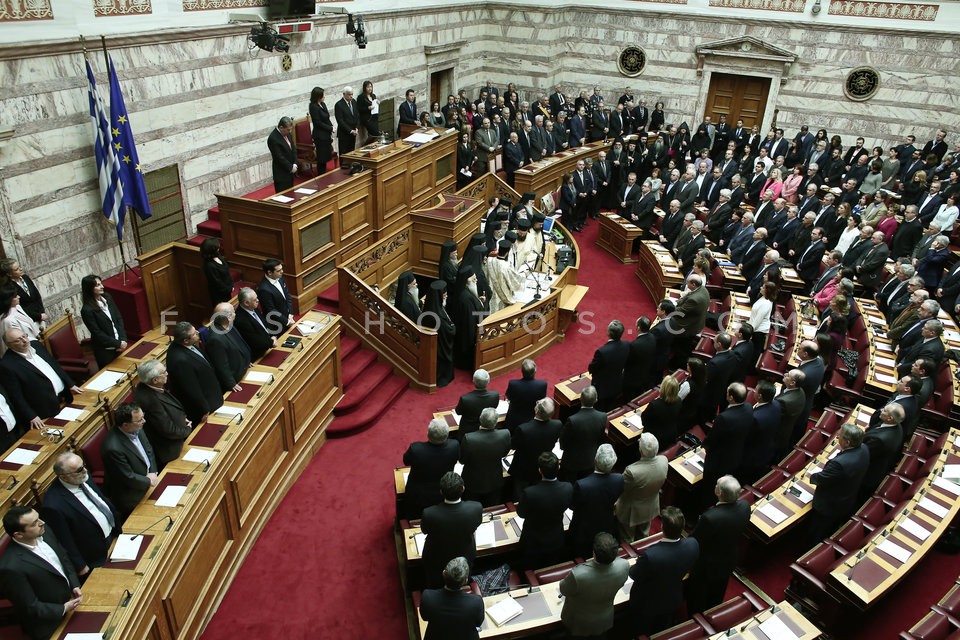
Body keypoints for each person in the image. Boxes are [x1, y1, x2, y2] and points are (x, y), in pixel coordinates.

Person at [0, 505, 82, 640]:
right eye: (34, 523)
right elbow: (30, 607)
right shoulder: (10, 567)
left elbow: (63, 558)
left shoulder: (44, 531)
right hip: (50, 623)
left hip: (73, 601)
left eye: (39, 518)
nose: (42, 522)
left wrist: (74, 584)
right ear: (19, 535)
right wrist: (63, 608)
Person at [40, 452, 121, 579]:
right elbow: (63, 539)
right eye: (79, 470)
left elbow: (100, 499)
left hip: (114, 535)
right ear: (64, 477)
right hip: (96, 555)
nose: (85, 470)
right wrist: (80, 565)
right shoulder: (53, 505)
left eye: (83, 465)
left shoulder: (82, 476)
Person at [630, 506, 700, 636]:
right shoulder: (693, 544)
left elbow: (634, 574)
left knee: (642, 632)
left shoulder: (651, 555)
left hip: (648, 603)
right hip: (673, 598)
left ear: (662, 527)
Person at [686, 475, 751, 613]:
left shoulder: (710, 517)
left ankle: (696, 618)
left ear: (718, 492)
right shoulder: (745, 506)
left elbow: (695, 540)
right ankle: (713, 612)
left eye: (717, 485)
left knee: (697, 596)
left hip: (707, 565)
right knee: (717, 592)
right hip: (729, 559)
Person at [1, 328, 82, 429]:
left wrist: (70, 384)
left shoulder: (36, 345)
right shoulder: (7, 365)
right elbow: (16, 396)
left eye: (24, 336)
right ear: (9, 345)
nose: (25, 341)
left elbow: (54, 365)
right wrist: (31, 416)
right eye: (18, 340)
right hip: (46, 409)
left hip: (66, 397)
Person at [558, 532, 629, 640]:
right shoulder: (624, 565)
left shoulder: (578, 574)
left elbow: (563, 589)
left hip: (579, 622)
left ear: (594, 553)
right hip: (604, 619)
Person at [808, 422, 869, 543]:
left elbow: (821, 479)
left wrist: (811, 476)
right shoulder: (864, 448)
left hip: (829, 505)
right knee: (831, 527)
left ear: (847, 442)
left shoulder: (840, 464)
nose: (837, 436)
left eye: (840, 435)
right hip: (846, 497)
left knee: (818, 532)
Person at [420, 472, 482, 589]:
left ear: (441, 492)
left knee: (434, 584)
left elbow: (424, 530)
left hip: (436, 558)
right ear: (463, 489)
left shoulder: (429, 513)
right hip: (465, 555)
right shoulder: (475, 508)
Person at [516, 452, 573, 570]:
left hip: (533, 542)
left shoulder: (530, 493)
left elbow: (521, 514)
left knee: (530, 570)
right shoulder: (567, 488)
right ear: (558, 467)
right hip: (555, 540)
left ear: (539, 470)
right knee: (551, 569)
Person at [101, 402, 158, 519]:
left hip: (150, 479)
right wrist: (148, 480)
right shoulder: (112, 448)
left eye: (143, 417)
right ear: (125, 425)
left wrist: (153, 471)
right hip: (132, 494)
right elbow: (127, 476)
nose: (144, 421)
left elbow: (148, 450)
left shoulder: (136, 427)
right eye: (140, 420)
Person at [133, 359, 192, 470]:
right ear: (155, 380)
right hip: (170, 449)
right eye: (163, 372)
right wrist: (187, 429)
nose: (167, 373)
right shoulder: (149, 400)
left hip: (178, 434)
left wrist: (182, 419)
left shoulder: (150, 386)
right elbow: (167, 429)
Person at [568, 445, 623, 558]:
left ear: (595, 460)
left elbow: (572, 506)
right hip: (606, 524)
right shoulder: (619, 479)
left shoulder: (582, 485)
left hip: (582, 529)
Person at [165, 322, 224, 425]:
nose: (198, 332)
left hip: (213, 395)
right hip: (205, 407)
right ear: (186, 340)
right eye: (194, 333)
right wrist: (205, 409)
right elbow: (192, 389)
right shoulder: (180, 360)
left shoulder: (186, 345)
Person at [403, 419, 459, 519]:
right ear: (447, 435)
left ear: (428, 433)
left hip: (417, 496)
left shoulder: (416, 449)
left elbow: (406, 461)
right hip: (443, 493)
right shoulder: (454, 445)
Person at [419, 556, 484, 640]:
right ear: (465, 581)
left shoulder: (427, 597)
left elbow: (425, 618)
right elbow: (478, 623)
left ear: (443, 573)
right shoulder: (476, 602)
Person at [510, 398, 562, 498]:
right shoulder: (557, 425)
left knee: (519, 495)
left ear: (537, 410)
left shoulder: (523, 429)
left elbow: (513, 445)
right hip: (543, 466)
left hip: (523, 469)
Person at [703, 383, 753, 486]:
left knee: (710, 486)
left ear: (731, 397)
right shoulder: (749, 407)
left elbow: (712, 439)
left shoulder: (723, 418)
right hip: (736, 456)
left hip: (718, 462)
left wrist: (704, 445)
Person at [459, 407, 510, 507]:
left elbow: (462, 460)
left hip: (473, 483)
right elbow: (504, 454)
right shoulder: (505, 434)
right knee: (493, 509)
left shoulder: (469, 439)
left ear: (480, 419)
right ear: (496, 422)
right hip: (494, 481)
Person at [558, 386, 607, 482]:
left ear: (580, 399)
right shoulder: (603, 417)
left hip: (571, 462)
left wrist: (563, 448)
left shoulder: (572, 420)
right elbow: (601, 439)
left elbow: (563, 440)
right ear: (596, 400)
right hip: (590, 460)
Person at [79, 274, 127, 368]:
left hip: (120, 345)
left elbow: (118, 318)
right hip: (106, 352)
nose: (102, 286)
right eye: (98, 285)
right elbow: (97, 333)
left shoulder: (108, 297)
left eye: (101, 283)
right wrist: (118, 344)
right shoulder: (87, 310)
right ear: (90, 288)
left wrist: (123, 339)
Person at [859, 403, 905, 500]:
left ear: (890, 418)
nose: (881, 410)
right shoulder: (897, 426)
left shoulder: (879, 440)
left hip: (867, 474)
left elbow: (861, 454)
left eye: (884, 410)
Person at [740, 380, 782, 483]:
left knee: (744, 479)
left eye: (756, 390)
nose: (754, 391)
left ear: (759, 396)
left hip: (752, 455)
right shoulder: (776, 404)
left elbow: (746, 437)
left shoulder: (756, 418)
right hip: (767, 447)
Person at [205, 303, 251, 393]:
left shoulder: (227, 325)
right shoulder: (215, 339)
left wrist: (246, 361)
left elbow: (239, 344)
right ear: (228, 317)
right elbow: (221, 365)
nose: (235, 314)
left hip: (244, 368)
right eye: (234, 312)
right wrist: (231, 383)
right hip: (236, 378)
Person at [587, 319, 630, 410]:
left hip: (601, 389)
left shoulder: (602, 352)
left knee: (599, 409)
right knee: (611, 409)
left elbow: (592, 368)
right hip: (617, 385)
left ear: (609, 333)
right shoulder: (626, 345)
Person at [420, 280, 456, 387]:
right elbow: (448, 331)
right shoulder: (436, 316)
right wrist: (453, 327)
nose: (446, 297)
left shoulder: (432, 306)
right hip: (439, 346)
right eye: (444, 295)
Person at [452, 267, 487, 370]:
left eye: (475, 278)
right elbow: (470, 323)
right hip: (469, 336)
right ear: (466, 282)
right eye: (473, 279)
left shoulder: (468, 292)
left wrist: (480, 302)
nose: (476, 280)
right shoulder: (465, 299)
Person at [504, 358, 547, 431]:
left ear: (522, 371)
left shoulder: (513, 384)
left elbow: (508, 397)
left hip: (513, 421)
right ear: (535, 370)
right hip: (533, 421)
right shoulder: (542, 385)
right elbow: (542, 399)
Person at [454, 368, 498, 439]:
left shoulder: (465, 399)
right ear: (488, 381)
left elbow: (458, 412)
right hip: (487, 428)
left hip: (468, 432)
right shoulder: (495, 396)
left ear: (473, 381)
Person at [233, 287, 276, 360]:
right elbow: (257, 341)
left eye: (257, 298)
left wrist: (273, 335)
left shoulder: (252, 307)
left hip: (269, 344)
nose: (258, 300)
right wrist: (272, 342)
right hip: (260, 355)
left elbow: (264, 324)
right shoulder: (240, 320)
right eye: (255, 300)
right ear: (246, 303)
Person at [641, 375, 683, 448]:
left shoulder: (654, 405)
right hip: (670, 437)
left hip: (654, 441)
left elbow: (644, 421)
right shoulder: (679, 401)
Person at [0, 259, 46, 324]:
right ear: (9, 274)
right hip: (27, 320)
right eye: (16, 269)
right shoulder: (9, 287)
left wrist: (42, 312)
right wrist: (38, 316)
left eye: (19, 267)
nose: (20, 269)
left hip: (41, 315)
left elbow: (37, 296)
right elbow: (19, 307)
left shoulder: (26, 278)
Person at [257, 258, 295, 335]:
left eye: (282, 269)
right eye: (278, 270)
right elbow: (271, 310)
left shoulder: (279, 278)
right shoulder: (263, 289)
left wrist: (290, 312)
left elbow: (287, 295)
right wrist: (286, 321)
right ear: (270, 272)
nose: (282, 272)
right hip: (276, 324)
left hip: (287, 317)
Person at [0, 286, 40, 356]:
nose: (19, 297)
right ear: (8, 300)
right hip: (26, 351)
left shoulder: (18, 308)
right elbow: (16, 343)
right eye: (15, 296)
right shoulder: (8, 321)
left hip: (35, 345)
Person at [267, 116, 297, 193]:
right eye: (288, 130)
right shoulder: (273, 138)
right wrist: (291, 167)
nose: (289, 131)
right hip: (281, 174)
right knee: (283, 197)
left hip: (290, 172)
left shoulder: (287, 134)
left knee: (291, 194)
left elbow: (293, 148)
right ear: (281, 128)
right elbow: (279, 157)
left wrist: (295, 163)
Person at [200, 237, 234, 306]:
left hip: (227, 290)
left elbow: (226, 273)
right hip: (220, 295)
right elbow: (217, 283)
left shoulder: (218, 256)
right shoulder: (209, 266)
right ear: (213, 249)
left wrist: (231, 285)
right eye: (217, 246)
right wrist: (229, 289)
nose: (219, 246)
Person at [308, 86, 333, 172]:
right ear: (318, 96)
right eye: (322, 95)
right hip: (319, 136)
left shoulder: (323, 104)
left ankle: (324, 173)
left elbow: (327, 117)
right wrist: (329, 128)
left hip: (326, 134)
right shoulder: (313, 106)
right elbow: (318, 122)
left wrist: (331, 126)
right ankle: (321, 175)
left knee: (326, 157)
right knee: (322, 158)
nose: (324, 96)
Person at [334, 86, 360, 155]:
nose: (351, 96)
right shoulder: (339, 105)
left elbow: (357, 116)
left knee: (351, 153)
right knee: (344, 154)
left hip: (353, 133)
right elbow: (340, 121)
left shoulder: (354, 101)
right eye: (349, 94)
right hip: (344, 134)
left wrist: (357, 127)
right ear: (344, 94)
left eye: (352, 94)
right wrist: (350, 131)